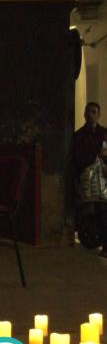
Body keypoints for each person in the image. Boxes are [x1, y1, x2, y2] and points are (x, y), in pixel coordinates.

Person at [72, 102, 107, 255]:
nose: (91, 114)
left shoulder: (104, 132)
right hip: (87, 178)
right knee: (89, 210)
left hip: (104, 177)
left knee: (104, 210)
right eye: (88, 111)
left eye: (94, 112)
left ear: (99, 115)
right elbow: (77, 157)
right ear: (84, 114)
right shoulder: (78, 135)